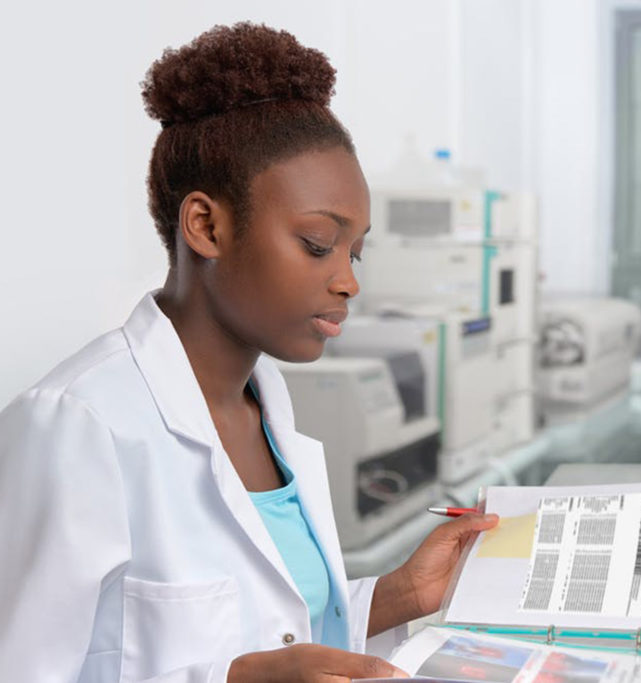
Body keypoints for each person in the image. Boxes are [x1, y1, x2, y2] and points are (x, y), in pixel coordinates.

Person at [0, 22, 498, 682]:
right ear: (207, 226)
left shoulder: (267, 403)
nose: (349, 279)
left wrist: (404, 592)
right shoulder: (77, 423)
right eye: (319, 243)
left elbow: (281, 625)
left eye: (356, 251)